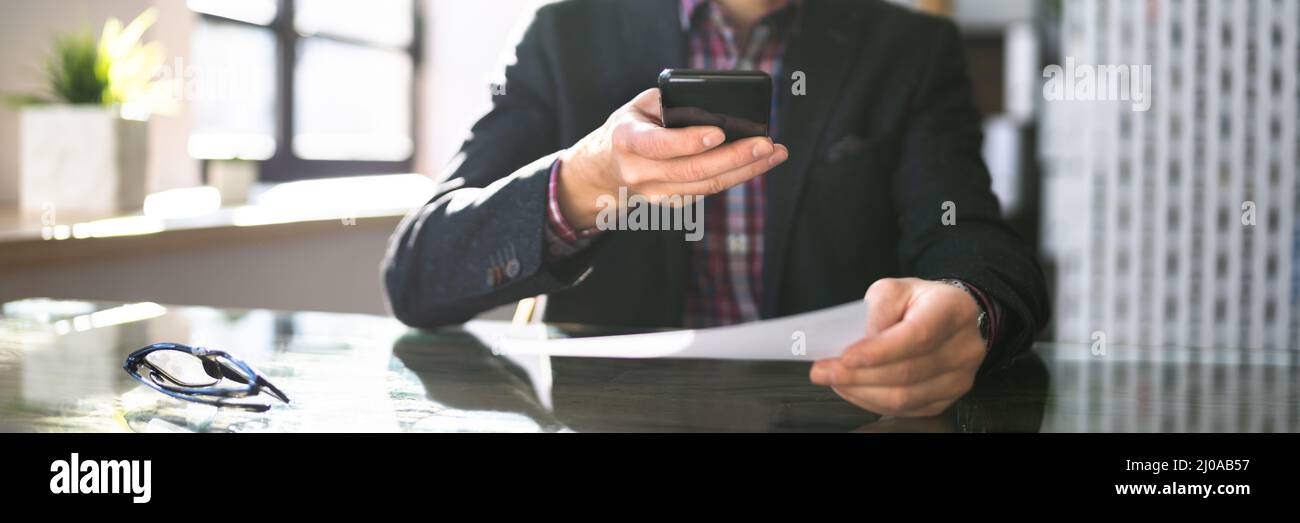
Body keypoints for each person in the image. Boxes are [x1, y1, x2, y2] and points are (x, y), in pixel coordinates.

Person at [383, 0, 1050, 417]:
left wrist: (971, 307)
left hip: (842, 413)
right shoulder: (563, 33)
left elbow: (975, 240)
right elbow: (419, 274)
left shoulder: (907, 49)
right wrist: (584, 181)